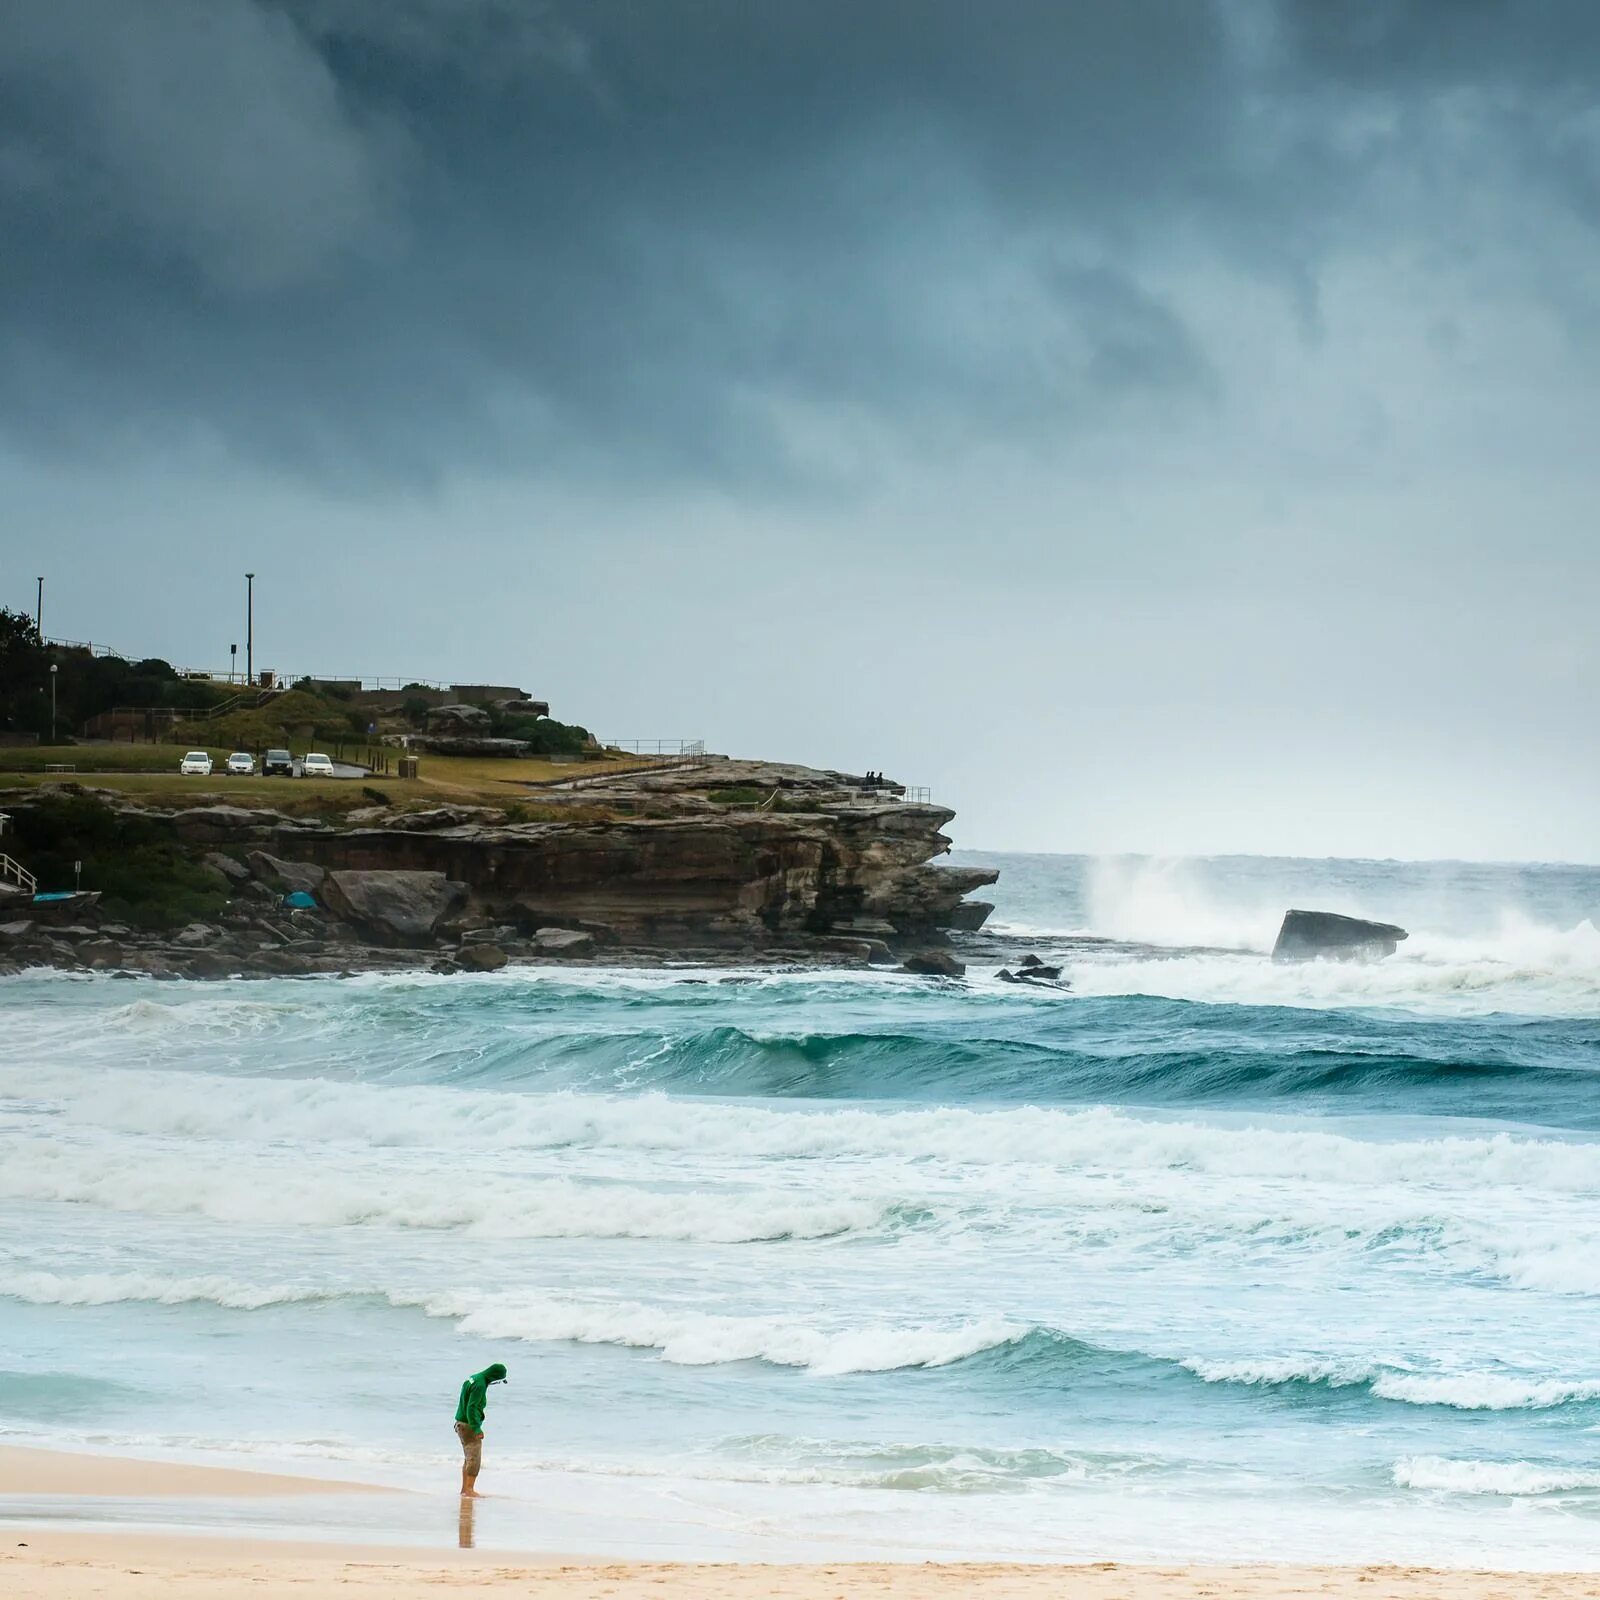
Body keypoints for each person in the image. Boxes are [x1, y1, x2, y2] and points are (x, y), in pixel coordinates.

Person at [453, 1362, 507, 1497]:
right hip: (468, 1425)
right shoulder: (480, 1385)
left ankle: (464, 1489)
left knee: (468, 1458)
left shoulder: (474, 1378)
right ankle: (470, 1490)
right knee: (474, 1458)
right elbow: (471, 1407)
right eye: (498, 1380)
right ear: (494, 1376)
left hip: (461, 1423)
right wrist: (476, 1428)